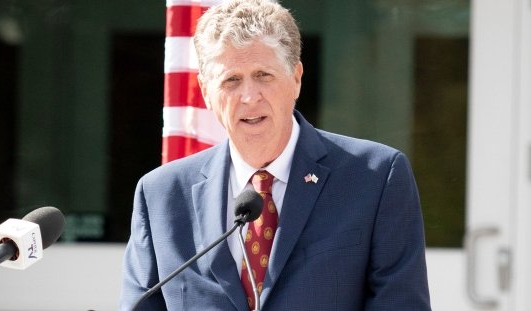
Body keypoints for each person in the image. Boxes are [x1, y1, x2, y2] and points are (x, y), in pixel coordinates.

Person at [120, 0, 431, 310]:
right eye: (231, 80)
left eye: (263, 75)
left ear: (295, 78)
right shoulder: (161, 196)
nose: (249, 96)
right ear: (206, 93)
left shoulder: (375, 178)